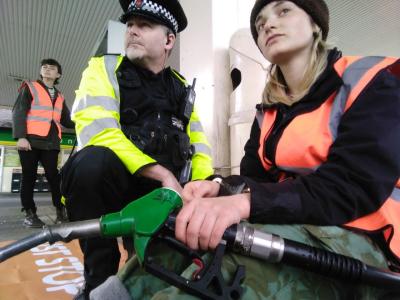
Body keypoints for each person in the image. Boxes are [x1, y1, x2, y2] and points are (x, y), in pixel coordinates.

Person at [90, 0, 399, 299]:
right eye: (260, 22)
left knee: (231, 274)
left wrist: (242, 204)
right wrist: (217, 188)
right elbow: (255, 181)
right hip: (296, 219)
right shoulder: (267, 113)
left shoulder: (368, 81)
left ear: (315, 24)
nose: (269, 24)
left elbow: (352, 186)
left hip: (366, 232)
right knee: (169, 247)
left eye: (283, 10)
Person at [60, 0, 213, 298]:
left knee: (164, 274)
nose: (132, 31)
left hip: (168, 198)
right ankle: (98, 280)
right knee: (89, 163)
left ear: (169, 39)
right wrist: (161, 174)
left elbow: (200, 146)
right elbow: (98, 131)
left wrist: (203, 185)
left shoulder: (183, 90)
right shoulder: (104, 68)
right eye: (130, 25)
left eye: (144, 25)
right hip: (120, 188)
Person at [12, 58, 74, 228]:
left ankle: (61, 212)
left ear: (58, 74)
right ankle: (30, 214)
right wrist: (21, 137)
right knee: (29, 177)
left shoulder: (60, 96)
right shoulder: (30, 87)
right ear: (40, 72)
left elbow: (67, 121)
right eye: (44, 67)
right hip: (30, 141)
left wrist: (85, 123)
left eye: (52, 68)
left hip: (51, 142)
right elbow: (19, 112)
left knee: (55, 178)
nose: (47, 70)